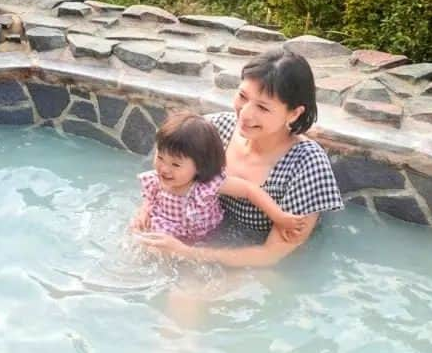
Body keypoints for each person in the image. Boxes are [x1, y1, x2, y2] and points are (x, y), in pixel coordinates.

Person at [138, 48, 343, 267]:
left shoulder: (308, 165)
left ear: (294, 113)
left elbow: (270, 256)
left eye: (262, 107)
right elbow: (168, 179)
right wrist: (144, 215)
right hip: (201, 238)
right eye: (243, 96)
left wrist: (186, 252)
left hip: (256, 262)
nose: (244, 114)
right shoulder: (214, 130)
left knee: (184, 295)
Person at [131, 110, 306, 246]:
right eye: (160, 157)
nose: (164, 169)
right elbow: (150, 199)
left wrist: (279, 217)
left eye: (175, 165)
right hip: (164, 228)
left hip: (200, 241)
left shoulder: (206, 186)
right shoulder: (157, 179)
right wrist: (144, 212)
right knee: (134, 234)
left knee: (155, 250)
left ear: (199, 165)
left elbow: (249, 190)